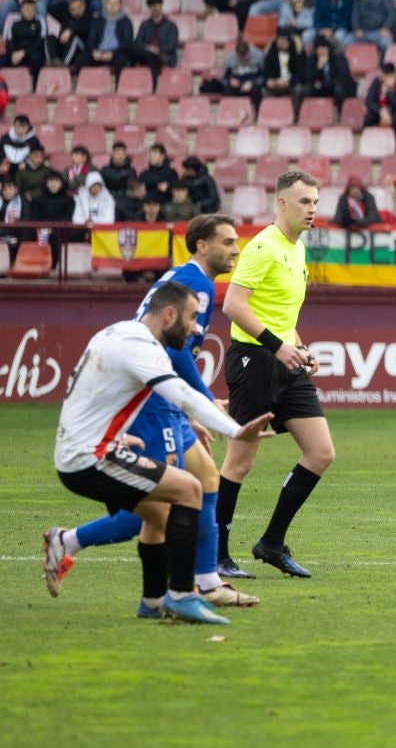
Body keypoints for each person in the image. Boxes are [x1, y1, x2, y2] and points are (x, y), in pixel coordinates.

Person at [42, 216, 258, 611]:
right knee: (158, 504)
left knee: (205, 479)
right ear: (202, 245)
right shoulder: (198, 286)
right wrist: (203, 399)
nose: (236, 249)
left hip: (161, 398)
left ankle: (202, 582)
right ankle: (73, 543)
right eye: (227, 242)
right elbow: (174, 352)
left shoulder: (182, 279)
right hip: (156, 403)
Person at [214, 170, 330, 580]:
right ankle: (216, 554)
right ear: (282, 203)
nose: (312, 208)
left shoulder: (297, 249)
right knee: (239, 461)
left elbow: (280, 314)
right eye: (304, 201)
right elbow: (233, 304)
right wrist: (278, 347)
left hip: (285, 361)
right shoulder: (263, 247)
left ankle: (271, 543)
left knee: (320, 453)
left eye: (315, 201)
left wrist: (298, 346)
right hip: (253, 362)